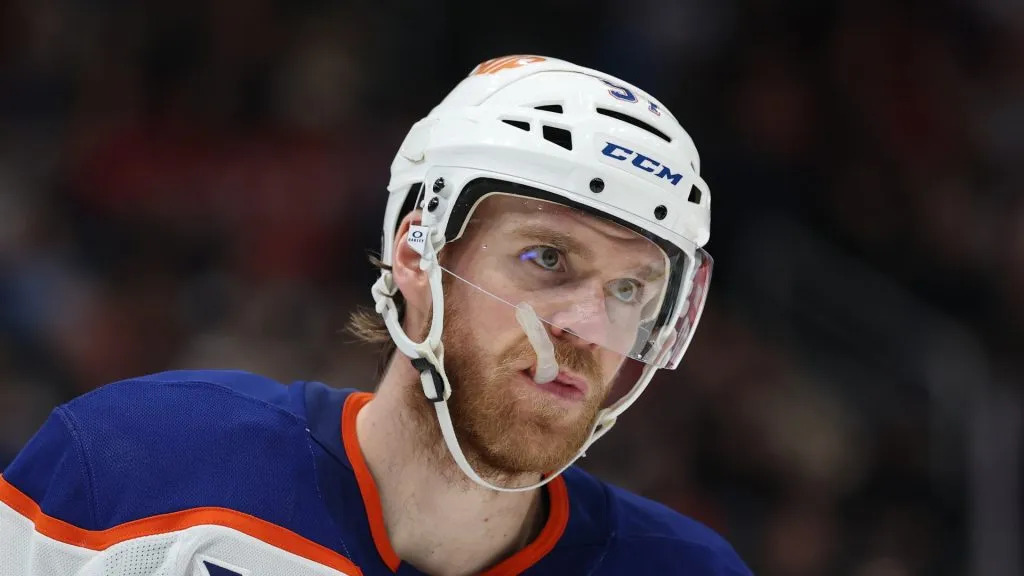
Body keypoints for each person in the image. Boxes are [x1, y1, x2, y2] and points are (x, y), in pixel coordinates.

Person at [0, 55, 751, 575]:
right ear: (418, 256)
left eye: (629, 291)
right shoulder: (140, 467)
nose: (587, 326)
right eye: (547, 259)